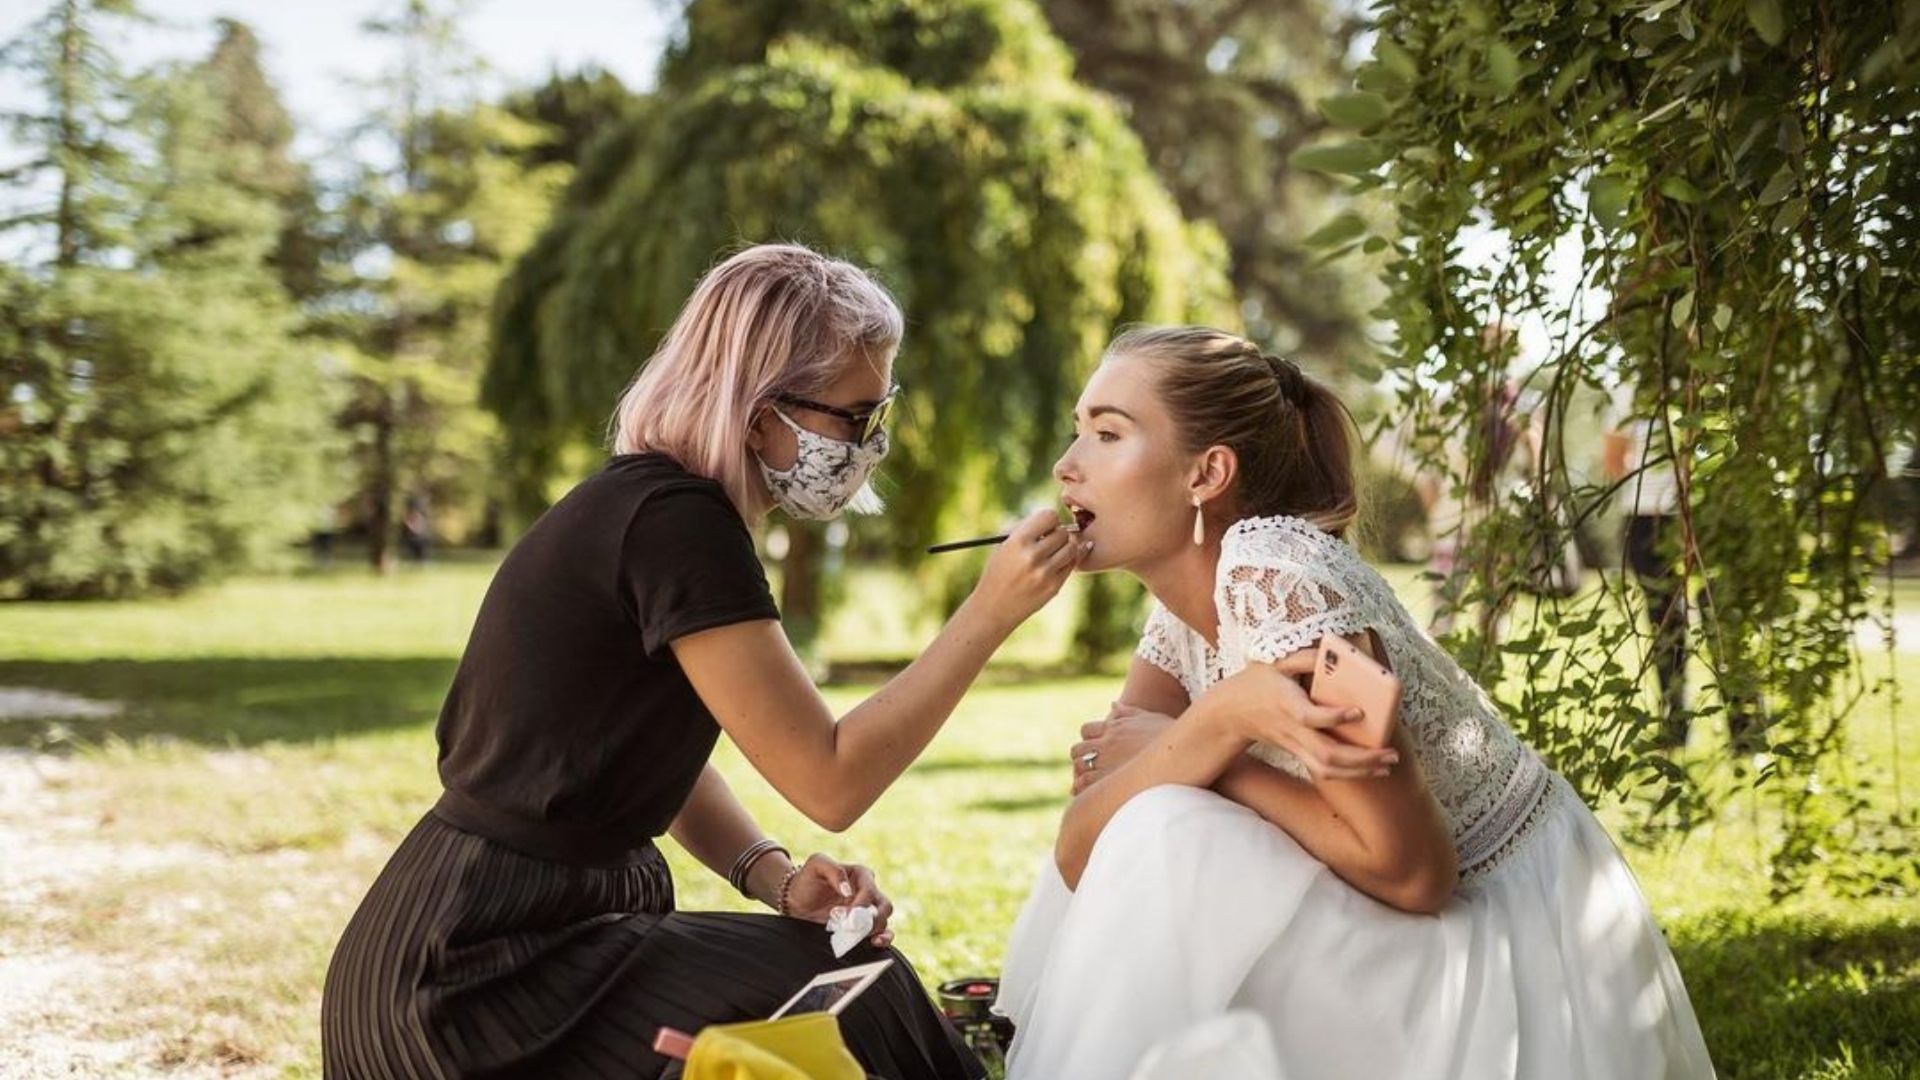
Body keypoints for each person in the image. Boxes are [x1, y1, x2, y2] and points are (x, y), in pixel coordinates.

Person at [321, 244, 1087, 1079]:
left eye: (883, 413)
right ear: (761, 413)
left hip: (474, 933)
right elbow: (832, 783)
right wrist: (988, 613)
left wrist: (772, 878)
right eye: (854, 417)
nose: (874, 443)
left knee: (840, 989)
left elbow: (636, 753)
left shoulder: (648, 502)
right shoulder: (678, 523)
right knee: (856, 990)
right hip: (481, 976)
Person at [993, 326, 1715, 1079]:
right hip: (1394, 910)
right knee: (1153, 819)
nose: (1065, 466)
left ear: (1206, 473)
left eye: (1107, 434)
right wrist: (1201, 742)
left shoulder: (1279, 577)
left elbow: (1414, 874)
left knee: (1170, 819)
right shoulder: (1181, 606)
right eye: (1078, 431)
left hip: (1503, 943)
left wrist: (1216, 740)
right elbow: (1081, 854)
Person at [1603, 385, 1758, 752]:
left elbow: (1613, 461)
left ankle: (1745, 731)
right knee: (1666, 624)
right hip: (1649, 519)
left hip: (1704, 516)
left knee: (1720, 615)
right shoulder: (1631, 391)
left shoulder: (1711, 383)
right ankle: (1678, 727)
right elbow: (1612, 461)